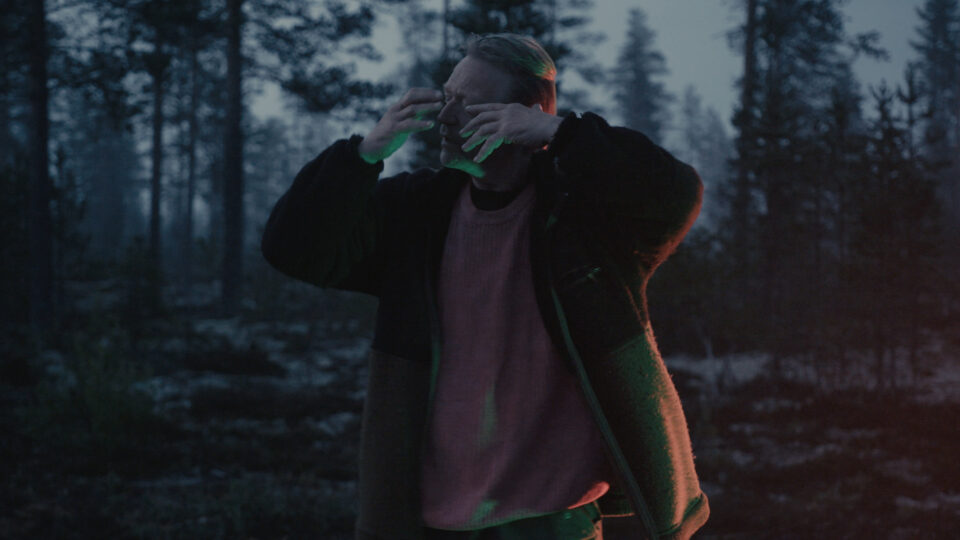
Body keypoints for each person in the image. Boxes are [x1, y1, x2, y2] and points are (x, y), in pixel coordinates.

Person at [261, 33, 709, 540]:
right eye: (447, 98)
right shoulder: (417, 215)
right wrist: (364, 154)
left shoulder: (583, 220)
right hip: (432, 521)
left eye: (468, 104)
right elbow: (292, 247)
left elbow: (675, 195)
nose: (446, 117)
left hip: (553, 520)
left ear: (524, 116)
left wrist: (560, 131)